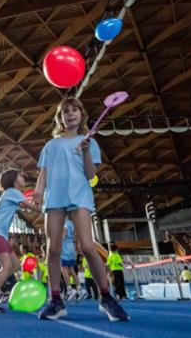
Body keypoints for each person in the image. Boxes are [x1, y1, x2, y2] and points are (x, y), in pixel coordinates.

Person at [33, 97, 128, 321]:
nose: (70, 114)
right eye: (65, 111)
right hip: (54, 197)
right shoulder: (51, 145)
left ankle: (106, 297)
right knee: (52, 249)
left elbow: (91, 175)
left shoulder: (89, 142)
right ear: (60, 118)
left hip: (79, 195)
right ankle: (56, 300)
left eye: (74, 110)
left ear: (81, 115)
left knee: (87, 246)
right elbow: (43, 172)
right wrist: (38, 191)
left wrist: (85, 151)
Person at [0, 170, 40, 313]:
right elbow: (32, 208)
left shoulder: (12, 194)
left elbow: (27, 207)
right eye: (20, 176)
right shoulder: (13, 191)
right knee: (6, 267)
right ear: (13, 180)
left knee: (16, 265)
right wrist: (45, 205)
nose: (23, 177)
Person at [60, 218, 81, 301]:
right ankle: (79, 288)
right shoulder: (71, 223)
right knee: (71, 270)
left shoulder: (64, 223)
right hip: (71, 248)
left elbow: (63, 236)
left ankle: (69, 289)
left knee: (64, 269)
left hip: (64, 249)